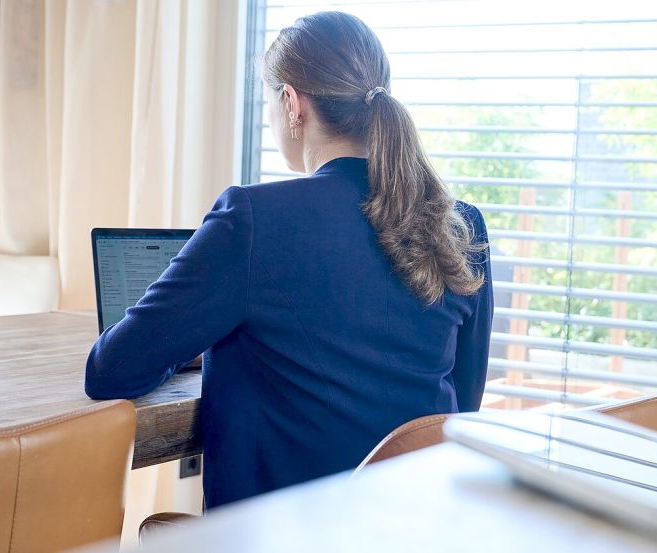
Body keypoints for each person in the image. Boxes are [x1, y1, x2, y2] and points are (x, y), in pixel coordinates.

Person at [84, 11, 493, 509]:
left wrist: (190, 340)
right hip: (418, 525)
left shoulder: (254, 218)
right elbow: (461, 404)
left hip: (277, 533)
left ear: (292, 103)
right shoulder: (461, 225)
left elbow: (111, 370)